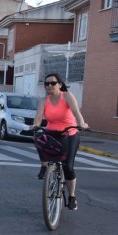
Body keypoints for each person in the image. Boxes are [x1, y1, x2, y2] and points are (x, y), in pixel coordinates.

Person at [32, 73, 89, 211]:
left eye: (52, 83)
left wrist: (82, 123)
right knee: (38, 137)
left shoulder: (67, 97)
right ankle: (44, 165)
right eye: (47, 84)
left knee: (68, 167)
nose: (49, 86)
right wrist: (35, 125)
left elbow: (76, 112)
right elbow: (39, 116)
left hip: (69, 133)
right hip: (52, 132)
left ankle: (72, 197)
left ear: (60, 84)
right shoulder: (43, 100)